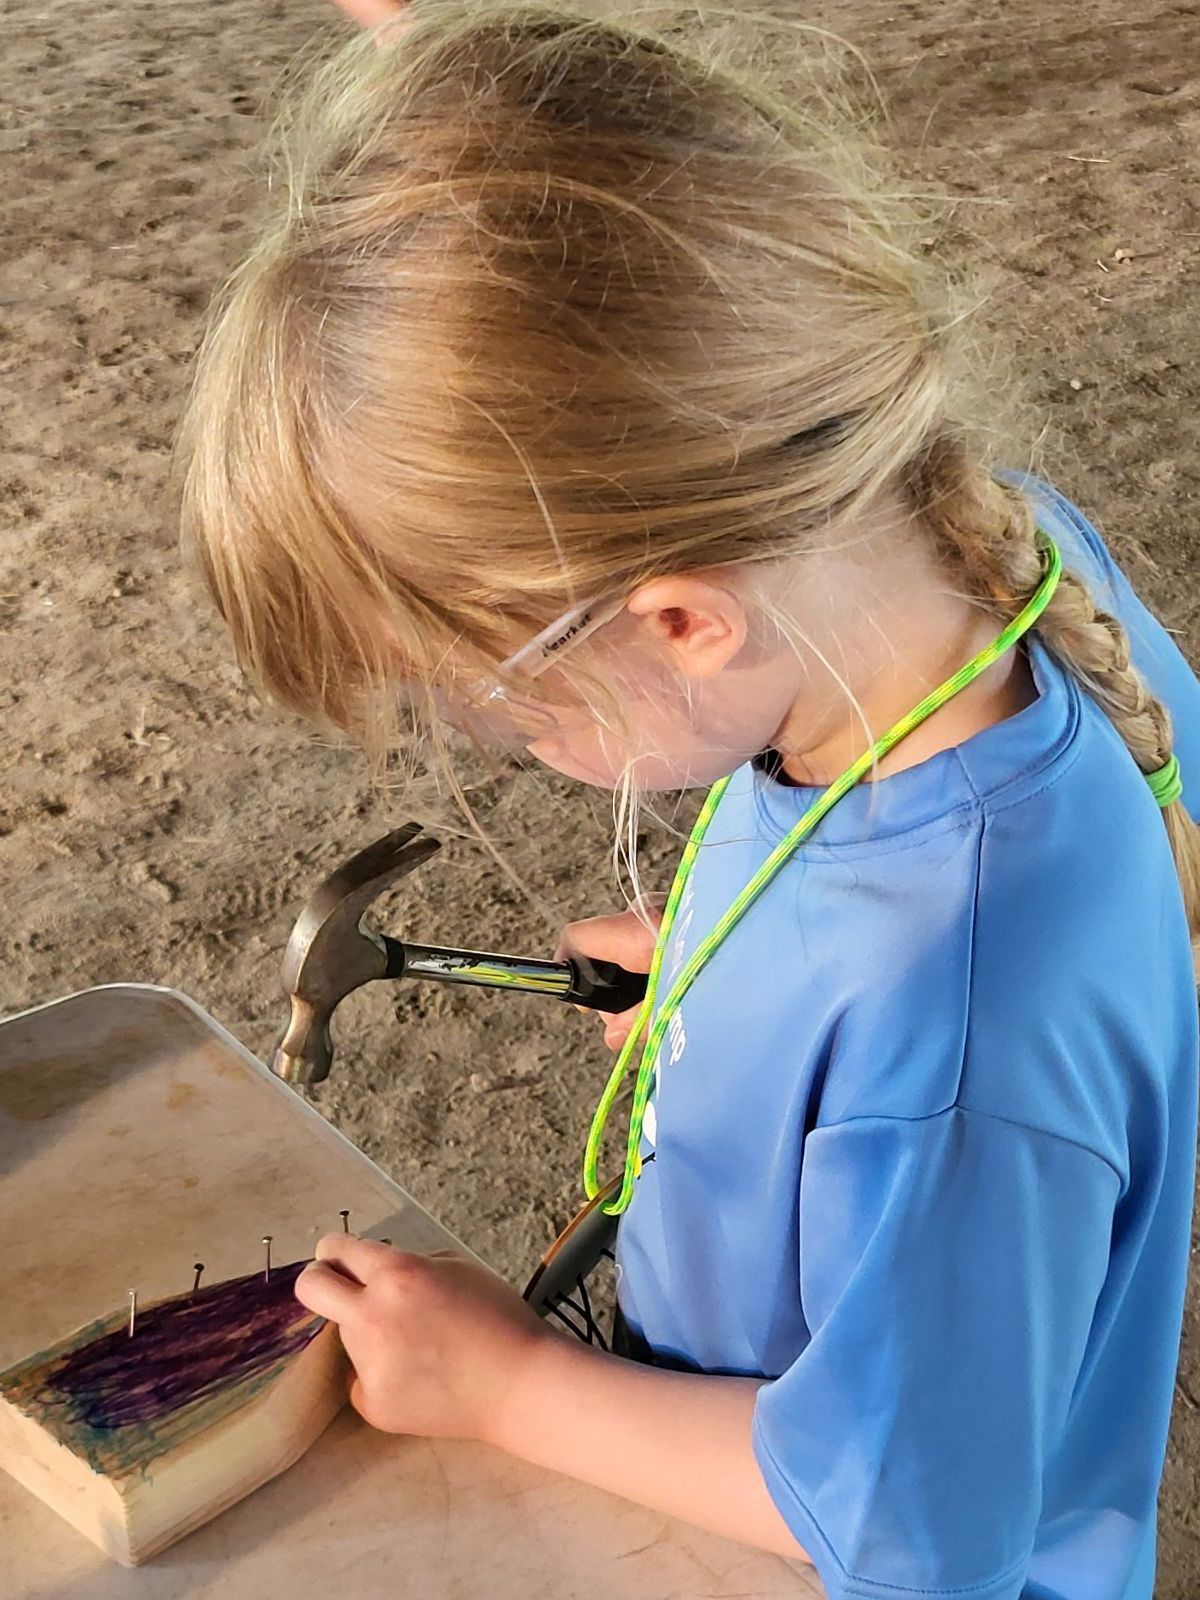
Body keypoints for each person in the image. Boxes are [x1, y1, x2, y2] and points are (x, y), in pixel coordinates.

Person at [178, 4, 1200, 1595]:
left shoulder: (958, 1014)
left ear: (677, 619)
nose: (484, 735)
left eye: (477, 700)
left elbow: (909, 1523)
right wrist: (740, 964)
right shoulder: (991, 565)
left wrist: (511, 1388)